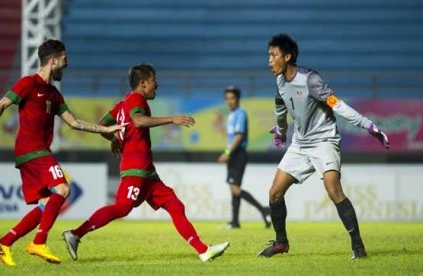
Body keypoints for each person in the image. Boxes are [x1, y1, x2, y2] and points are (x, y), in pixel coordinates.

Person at [62, 63, 229, 262]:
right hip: (136, 168)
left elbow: (101, 126)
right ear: (143, 83)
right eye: (153, 81)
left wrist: (114, 139)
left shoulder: (122, 104)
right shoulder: (136, 99)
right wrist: (171, 119)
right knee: (122, 207)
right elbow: (139, 121)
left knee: (174, 204)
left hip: (147, 171)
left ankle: (203, 250)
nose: (156, 85)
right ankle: (75, 234)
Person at [0, 39, 125, 266]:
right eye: (64, 60)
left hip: (33, 153)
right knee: (63, 188)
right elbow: (2, 104)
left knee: (46, 204)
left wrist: (105, 129)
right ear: (53, 61)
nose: (66, 65)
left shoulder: (53, 94)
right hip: (32, 149)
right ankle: (39, 242)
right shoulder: (28, 83)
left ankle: (4, 242)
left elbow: (75, 123)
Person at [258, 34, 390, 259]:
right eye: (268, 55)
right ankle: (281, 242)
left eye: (273, 55)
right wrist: (280, 132)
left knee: (333, 190)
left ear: (287, 56)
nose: (269, 60)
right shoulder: (280, 82)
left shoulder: (310, 80)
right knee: (275, 193)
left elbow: (336, 105)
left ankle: (358, 246)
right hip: (300, 144)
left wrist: (367, 124)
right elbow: (281, 110)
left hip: (323, 141)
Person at [217, 86, 271, 229]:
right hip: (234, 153)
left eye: (232, 98)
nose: (229, 101)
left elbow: (239, 135)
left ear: (238, 99)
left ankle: (264, 210)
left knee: (235, 189)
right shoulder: (231, 115)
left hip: (238, 153)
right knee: (233, 188)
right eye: (227, 98)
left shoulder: (240, 113)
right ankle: (235, 222)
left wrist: (227, 153)